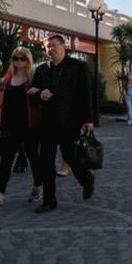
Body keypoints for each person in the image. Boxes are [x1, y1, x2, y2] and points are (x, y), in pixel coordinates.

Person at [31, 35, 95, 213]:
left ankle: (87, 179)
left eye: (53, 45)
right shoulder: (41, 70)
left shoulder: (78, 67)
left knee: (71, 157)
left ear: (63, 46)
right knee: (46, 162)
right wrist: (39, 95)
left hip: (70, 123)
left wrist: (89, 120)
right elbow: (33, 93)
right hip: (48, 123)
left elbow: (86, 95)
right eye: (47, 47)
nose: (50, 49)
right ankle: (49, 200)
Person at [0, 47, 43, 211]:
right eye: (16, 58)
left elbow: (39, 101)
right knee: (5, 161)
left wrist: (38, 93)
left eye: (22, 59)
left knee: (33, 158)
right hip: (11, 127)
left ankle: (38, 186)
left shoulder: (33, 79)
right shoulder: (8, 80)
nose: (19, 62)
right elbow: (3, 106)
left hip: (29, 127)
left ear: (28, 60)